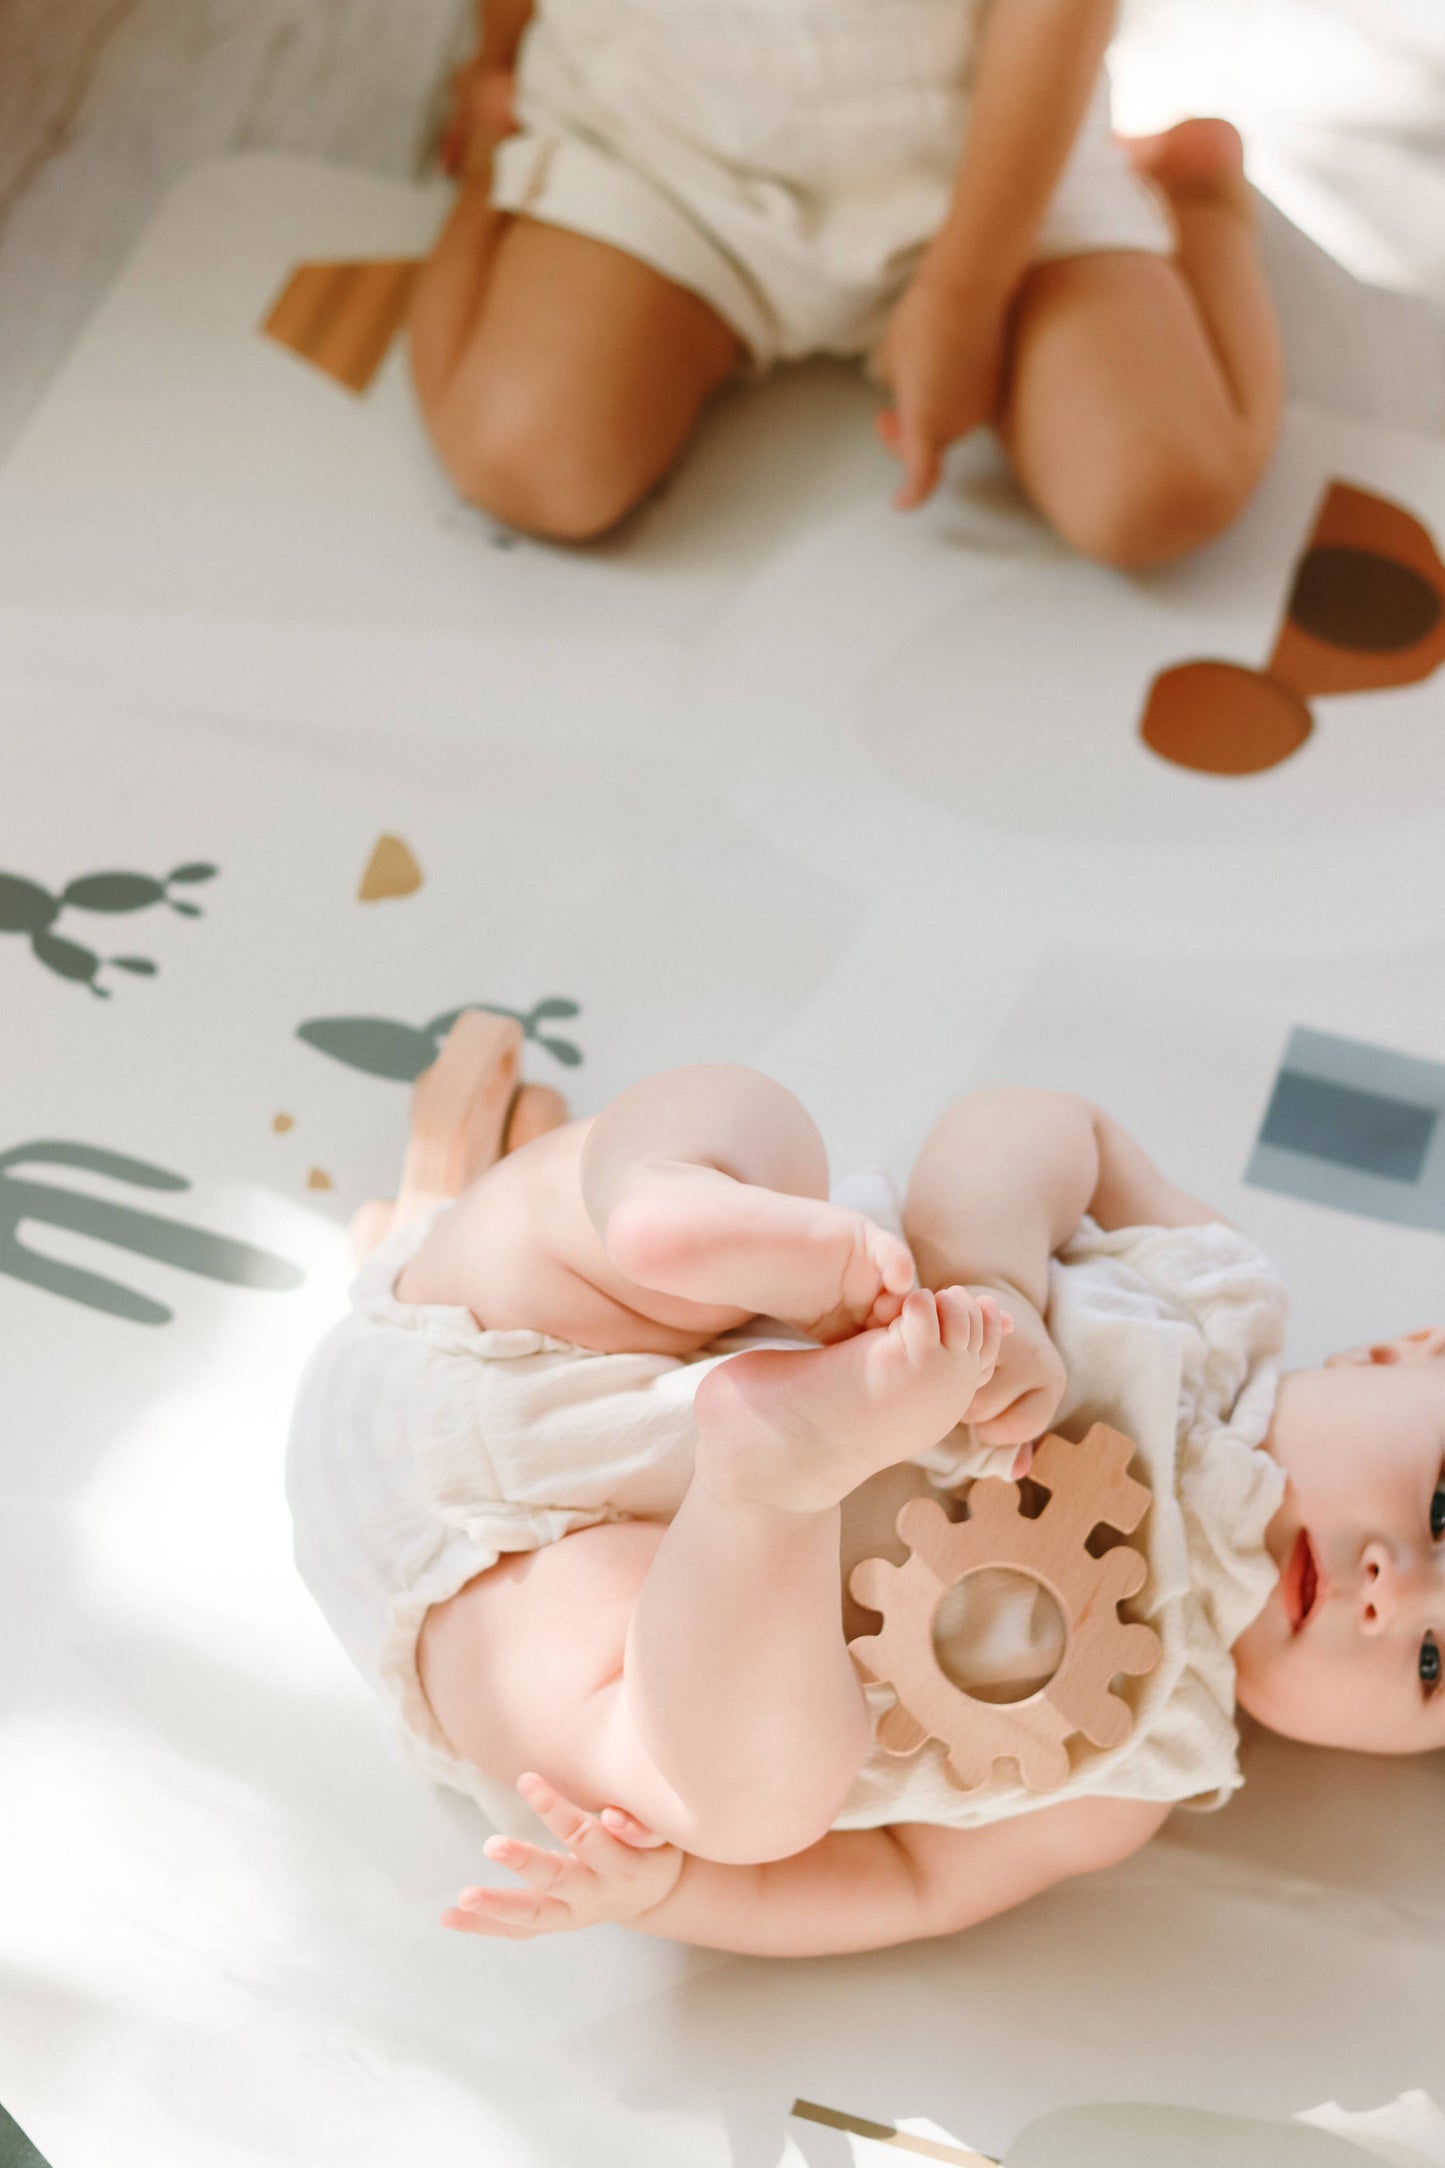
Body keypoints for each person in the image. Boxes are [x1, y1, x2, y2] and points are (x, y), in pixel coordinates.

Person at [285, 1033, 1445, 1956]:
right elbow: (1039, 1124)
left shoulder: (1127, 1773)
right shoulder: (1212, 1294)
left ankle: (769, 1485)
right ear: (1406, 1352)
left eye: (1434, 1662)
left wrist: (670, 1888)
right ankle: (663, 1196)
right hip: (532, 1325)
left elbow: (898, 1882)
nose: (1390, 1591)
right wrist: (989, 1275)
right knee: (752, 1128)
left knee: (746, 1801)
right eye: (1441, 1509)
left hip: (507, 1605)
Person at [407, 0, 1284, 561]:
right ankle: (497, 161)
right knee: (521, 459)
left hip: (989, 156)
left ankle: (1196, 194)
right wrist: (498, 57)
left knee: (1158, 495)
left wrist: (965, 292)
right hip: (665, 145)